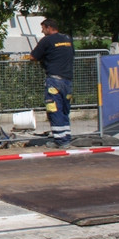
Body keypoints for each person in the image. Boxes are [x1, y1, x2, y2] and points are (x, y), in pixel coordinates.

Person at [28, 18, 75, 147]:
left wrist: (43, 59)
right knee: (64, 109)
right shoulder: (67, 39)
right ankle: (66, 137)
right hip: (67, 80)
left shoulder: (47, 40)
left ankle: (60, 140)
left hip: (54, 80)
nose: (42, 31)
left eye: (43, 28)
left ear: (49, 28)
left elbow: (33, 56)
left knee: (54, 110)